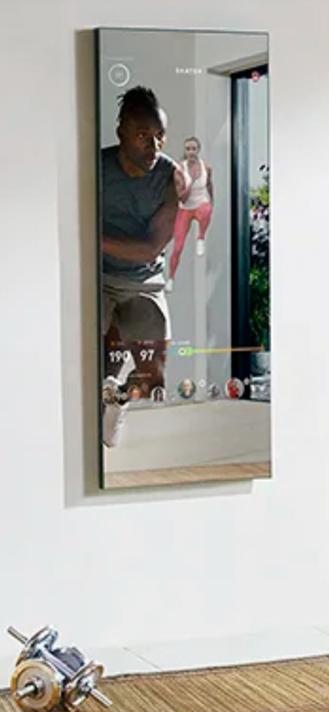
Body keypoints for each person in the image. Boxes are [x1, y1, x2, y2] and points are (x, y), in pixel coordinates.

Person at [100, 85, 181, 447]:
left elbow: (150, 248)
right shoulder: (95, 166)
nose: (154, 146)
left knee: (152, 379)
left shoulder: (170, 176)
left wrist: (93, 238)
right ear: (121, 135)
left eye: (160, 136)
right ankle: (104, 398)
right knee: (95, 371)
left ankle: (118, 401)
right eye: (143, 135)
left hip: (144, 281)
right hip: (96, 278)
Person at [166, 136, 215, 292]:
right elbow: (180, 196)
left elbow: (209, 185)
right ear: (185, 151)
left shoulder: (206, 167)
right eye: (188, 149)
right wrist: (189, 185)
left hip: (200, 205)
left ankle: (201, 237)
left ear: (198, 150)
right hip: (185, 209)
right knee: (178, 248)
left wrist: (211, 201)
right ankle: (171, 277)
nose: (191, 152)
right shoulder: (180, 170)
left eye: (194, 149)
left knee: (206, 209)